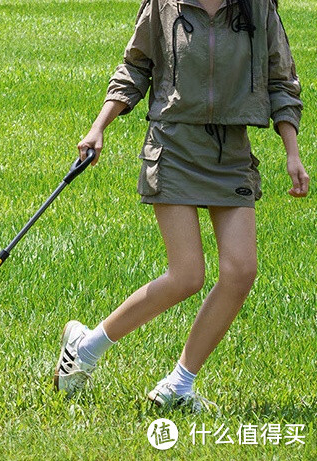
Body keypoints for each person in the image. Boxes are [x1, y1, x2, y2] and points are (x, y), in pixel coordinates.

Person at [54, 0, 309, 412]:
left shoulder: (258, 7)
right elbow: (135, 67)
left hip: (232, 151)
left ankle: (178, 384)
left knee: (241, 271)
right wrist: (98, 128)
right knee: (187, 274)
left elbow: (281, 80)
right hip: (172, 144)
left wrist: (292, 152)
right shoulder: (163, 5)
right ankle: (85, 348)